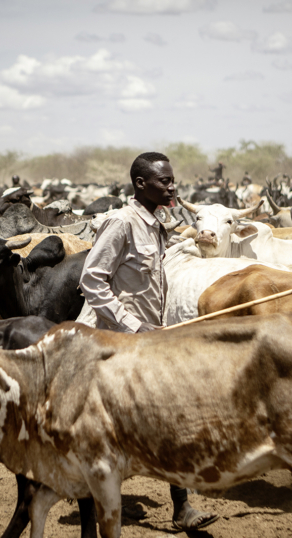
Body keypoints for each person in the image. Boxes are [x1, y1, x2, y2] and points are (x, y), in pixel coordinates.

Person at [80, 151, 220, 531]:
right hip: (113, 340)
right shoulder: (121, 223)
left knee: (165, 416)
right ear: (141, 184)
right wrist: (131, 325)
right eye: (165, 181)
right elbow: (91, 279)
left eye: (172, 180)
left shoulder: (156, 223)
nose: (172, 186)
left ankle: (181, 507)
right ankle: (105, 500)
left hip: (148, 339)